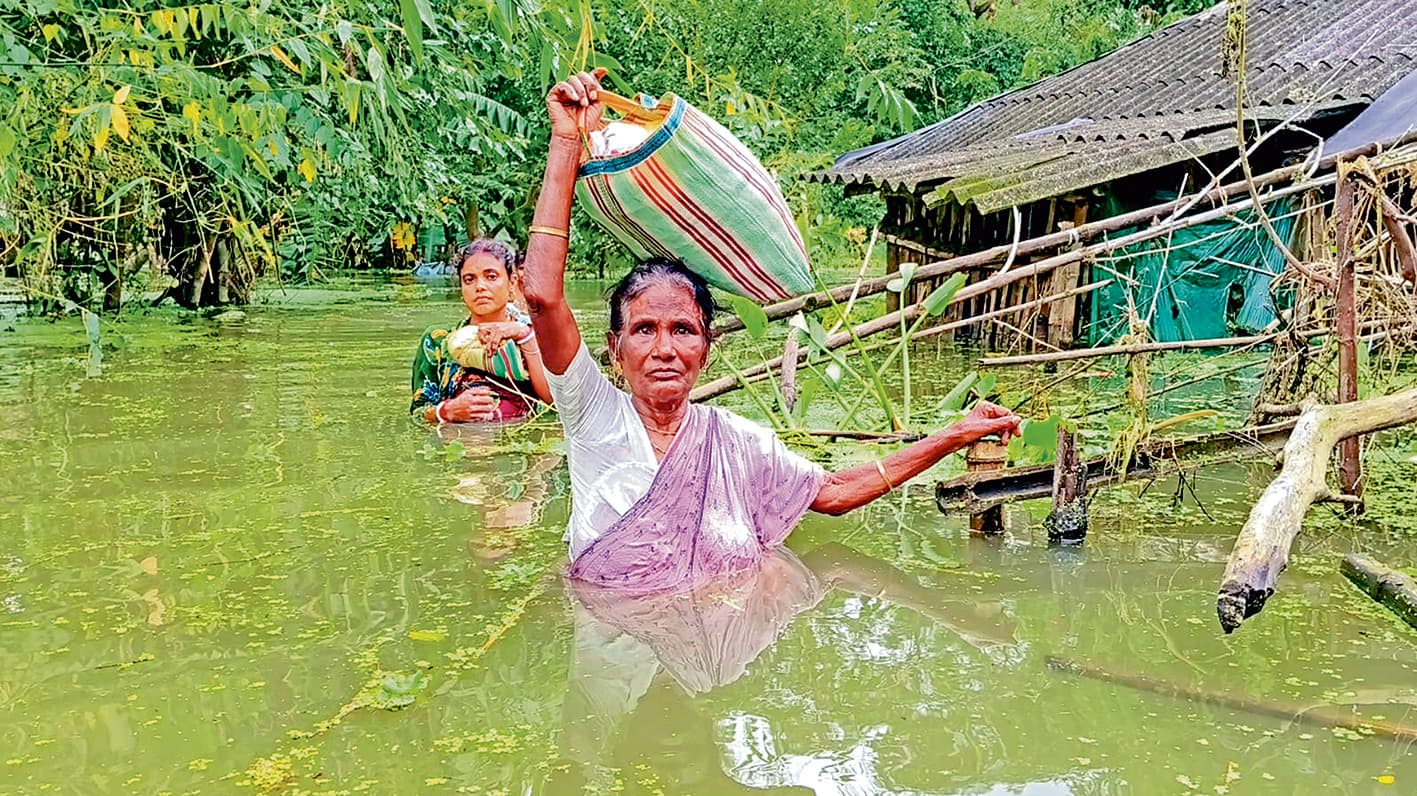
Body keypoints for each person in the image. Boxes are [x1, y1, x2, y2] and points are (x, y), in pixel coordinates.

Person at [520, 69, 1023, 591]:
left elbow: (832, 493)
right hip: (609, 631)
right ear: (615, 348)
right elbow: (542, 296)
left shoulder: (737, 441)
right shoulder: (594, 416)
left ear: (707, 348)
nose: (664, 348)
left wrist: (953, 435)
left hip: (711, 635)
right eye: (644, 329)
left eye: (683, 330)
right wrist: (565, 142)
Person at [410, 239, 553, 423]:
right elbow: (418, 413)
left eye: (491, 277)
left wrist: (524, 336)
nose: (480, 287)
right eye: (469, 279)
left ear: (512, 282)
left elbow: (557, 403)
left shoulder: (535, 335)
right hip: (458, 438)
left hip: (522, 435)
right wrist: (446, 412)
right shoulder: (438, 341)